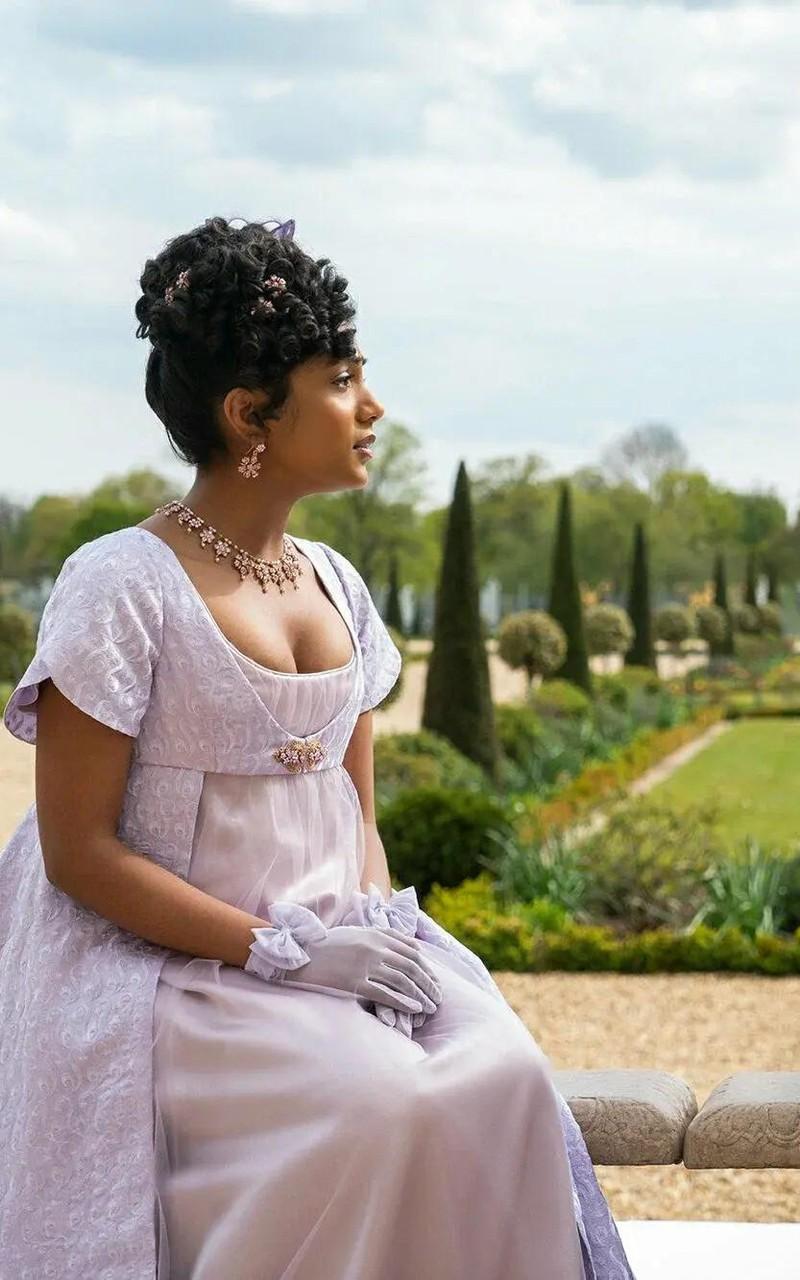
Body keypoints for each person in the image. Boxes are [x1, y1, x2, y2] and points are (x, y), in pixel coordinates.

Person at [0, 217, 634, 1280]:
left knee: (506, 1072)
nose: (371, 406)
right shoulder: (120, 583)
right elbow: (78, 854)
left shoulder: (338, 582)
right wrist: (279, 952)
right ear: (249, 413)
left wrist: (376, 935)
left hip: (344, 945)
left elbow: (357, 815)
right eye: (341, 380)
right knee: (381, 1103)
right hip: (171, 970)